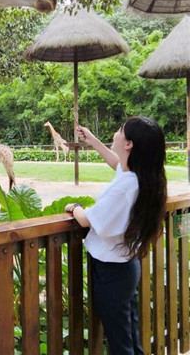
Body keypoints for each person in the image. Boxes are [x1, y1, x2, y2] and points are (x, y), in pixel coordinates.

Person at [65, 116, 167, 355]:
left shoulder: (125, 187)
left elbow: (86, 219)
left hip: (112, 273)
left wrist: (74, 207)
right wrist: (92, 139)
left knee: (120, 342)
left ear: (129, 144)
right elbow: (116, 163)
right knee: (129, 335)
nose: (116, 133)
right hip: (126, 266)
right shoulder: (139, 177)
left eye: (120, 130)